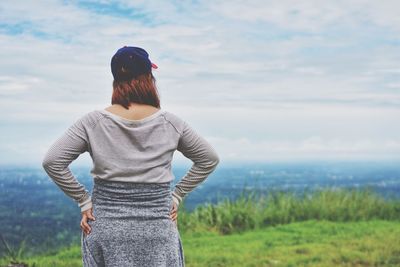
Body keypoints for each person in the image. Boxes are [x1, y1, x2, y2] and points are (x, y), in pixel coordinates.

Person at [41, 46, 220, 267]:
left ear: (116, 79)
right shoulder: (171, 122)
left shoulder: (93, 121)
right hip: (158, 232)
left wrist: (84, 200)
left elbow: (52, 161)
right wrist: (177, 195)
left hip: (106, 230)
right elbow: (209, 159)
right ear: (148, 77)